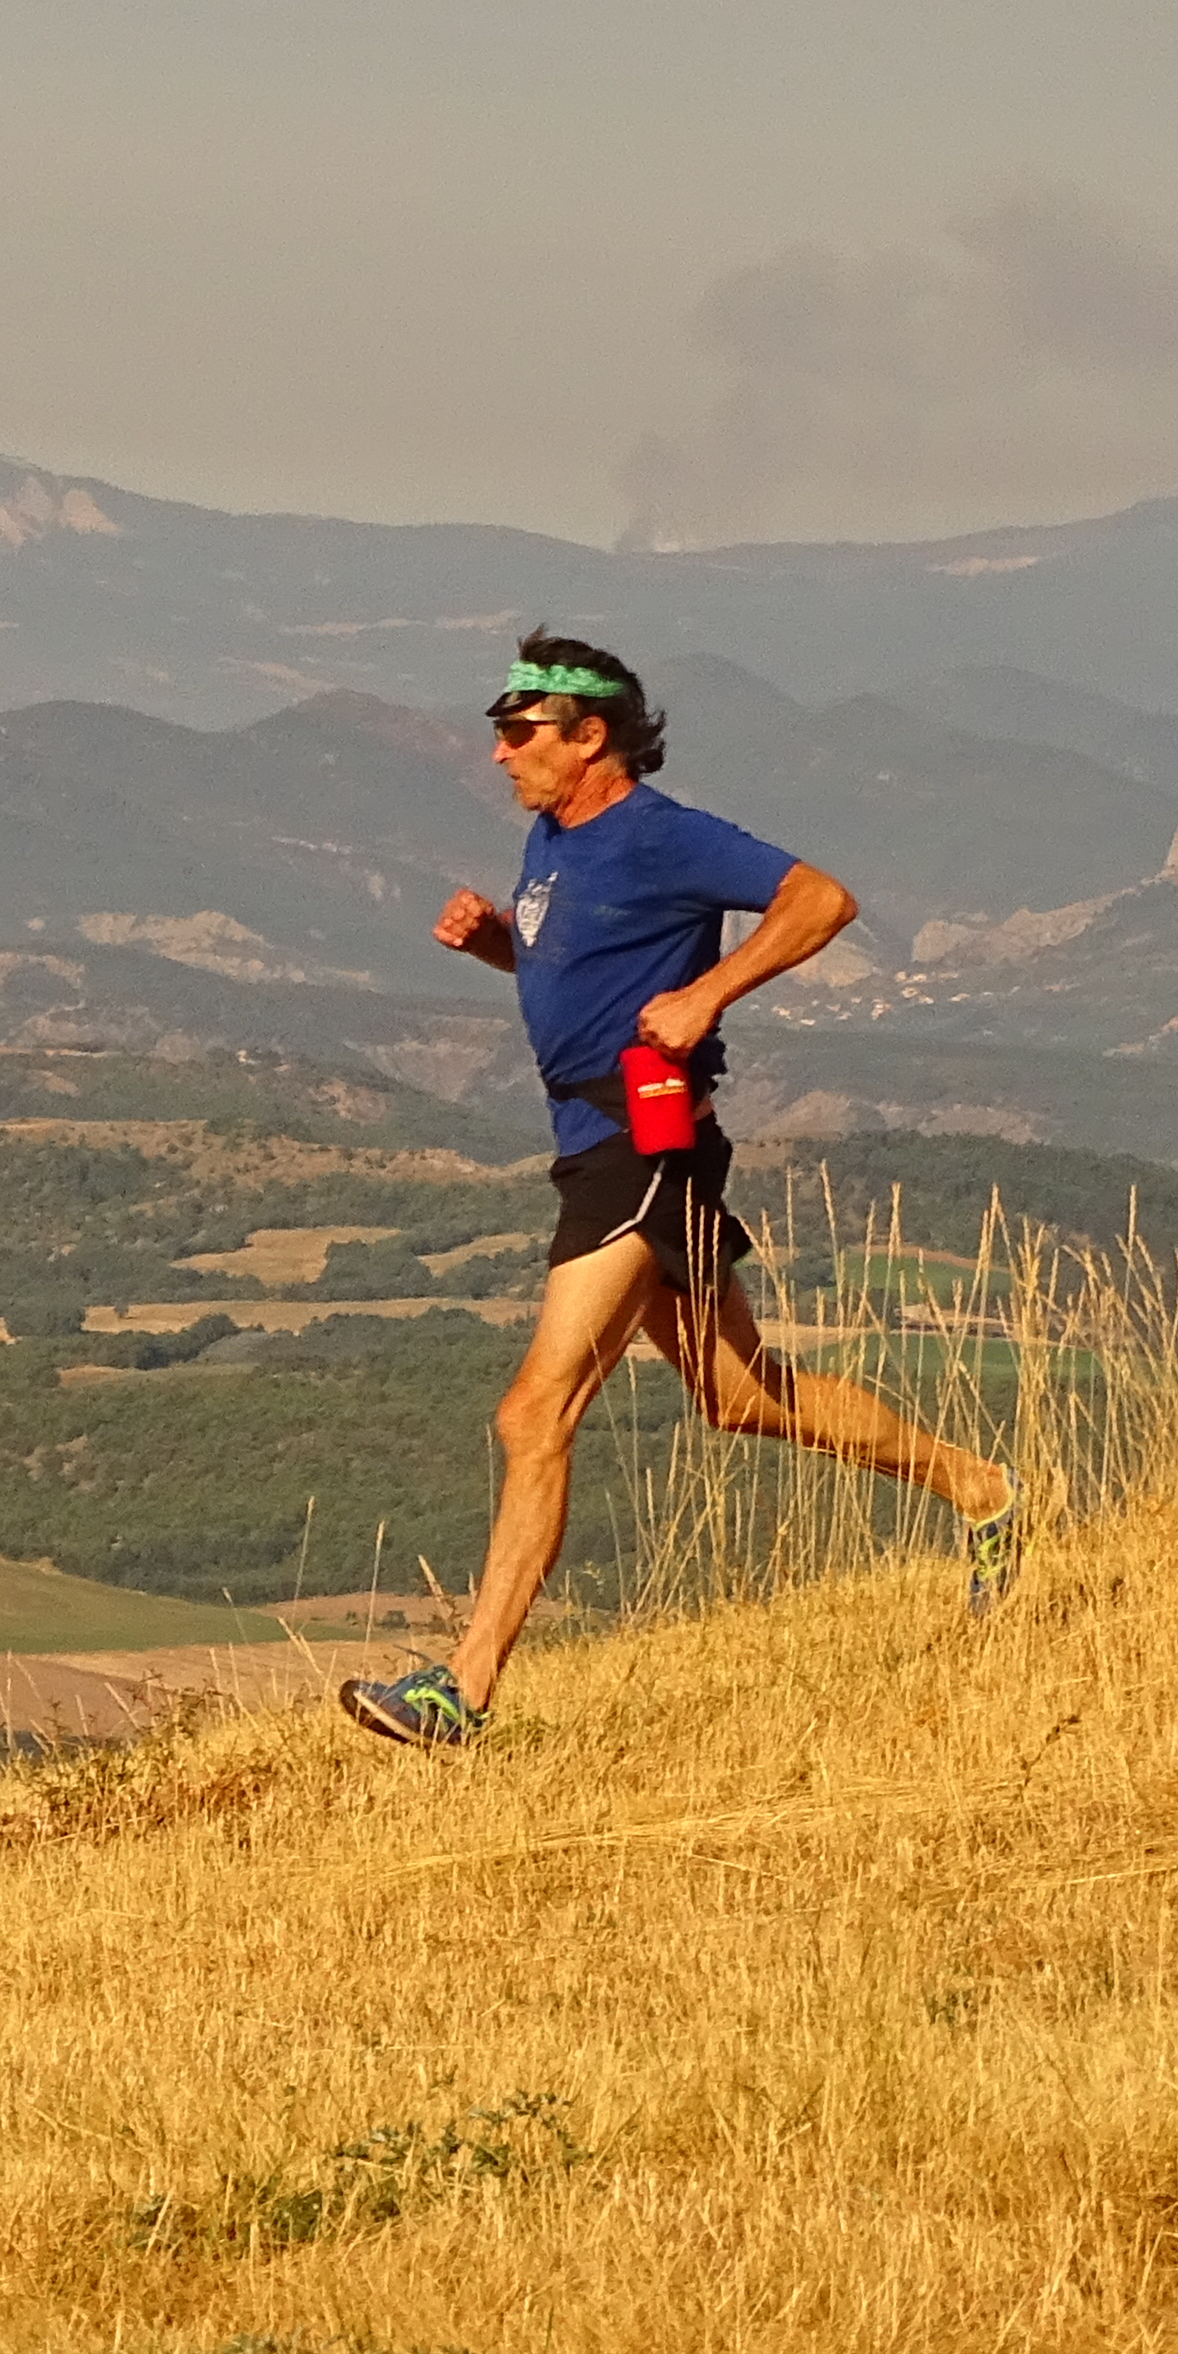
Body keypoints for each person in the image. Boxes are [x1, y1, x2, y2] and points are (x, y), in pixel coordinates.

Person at [337, 633, 1020, 1751]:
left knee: (534, 1412)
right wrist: (496, 946)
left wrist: (709, 992)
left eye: (520, 735)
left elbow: (821, 899)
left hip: (640, 1152)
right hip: (603, 1145)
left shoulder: (662, 835)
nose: (500, 756)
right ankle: (988, 1494)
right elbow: (580, 967)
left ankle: (458, 1692)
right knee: (741, 1397)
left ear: (590, 736)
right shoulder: (553, 838)